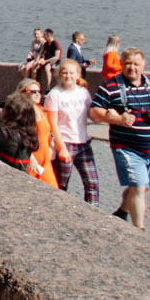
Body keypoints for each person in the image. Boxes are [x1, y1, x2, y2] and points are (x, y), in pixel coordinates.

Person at [90, 48, 150, 229]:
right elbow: (94, 113)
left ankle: (122, 212)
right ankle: (139, 231)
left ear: (143, 65)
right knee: (139, 187)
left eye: (136, 64)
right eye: (128, 64)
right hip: (126, 147)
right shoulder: (110, 86)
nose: (132, 67)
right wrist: (118, 119)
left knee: (141, 186)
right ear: (121, 65)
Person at [0, 77, 58, 187]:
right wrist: (31, 158)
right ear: (22, 93)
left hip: (44, 158)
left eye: (39, 91)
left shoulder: (39, 109)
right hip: (30, 159)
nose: (38, 94)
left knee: (52, 191)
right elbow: (8, 131)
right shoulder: (24, 113)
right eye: (33, 92)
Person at [45, 59, 98, 203]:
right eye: (64, 73)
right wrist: (61, 148)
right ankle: (57, 210)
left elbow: (91, 114)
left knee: (92, 183)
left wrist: (107, 115)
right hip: (65, 143)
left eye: (71, 73)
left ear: (78, 75)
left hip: (83, 143)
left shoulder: (83, 92)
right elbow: (52, 124)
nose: (68, 76)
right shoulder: (55, 94)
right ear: (60, 75)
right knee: (61, 185)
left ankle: (94, 215)